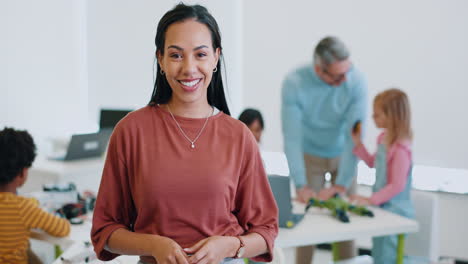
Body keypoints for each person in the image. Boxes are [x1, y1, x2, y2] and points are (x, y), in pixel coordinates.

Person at [91, 4, 278, 264]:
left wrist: (228, 246)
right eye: (176, 55)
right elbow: (105, 231)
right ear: (160, 59)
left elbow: (266, 232)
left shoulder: (239, 136)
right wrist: (154, 245)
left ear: (215, 57)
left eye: (200, 54)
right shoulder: (131, 131)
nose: (189, 68)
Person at [281, 36, 367, 263]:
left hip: (343, 155)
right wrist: (301, 184)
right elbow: (292, 137)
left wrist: (342, 184)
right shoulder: (294, 82)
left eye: (347, 72)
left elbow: (355, 138)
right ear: (319, 69)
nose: (345, 80)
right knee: (307, 221)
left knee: (345, 221)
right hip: (310, 155)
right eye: (338, 76)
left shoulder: (356, 81)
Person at [350, 88, 414, 264]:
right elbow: (373, 162)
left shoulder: (401, 148)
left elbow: (397, 185)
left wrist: (371, 200)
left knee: (388, 255)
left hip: (396, 211)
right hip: (383, 207)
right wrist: (358, 144)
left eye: (377, 114)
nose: (372, 118)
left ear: (391, 116)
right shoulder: (383, 139)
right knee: (378, 251)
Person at [0, 127, 71, 264]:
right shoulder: (22, 208)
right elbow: (63, 229)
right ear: (23, 173)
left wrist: (31, 203)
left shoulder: (23, 206)